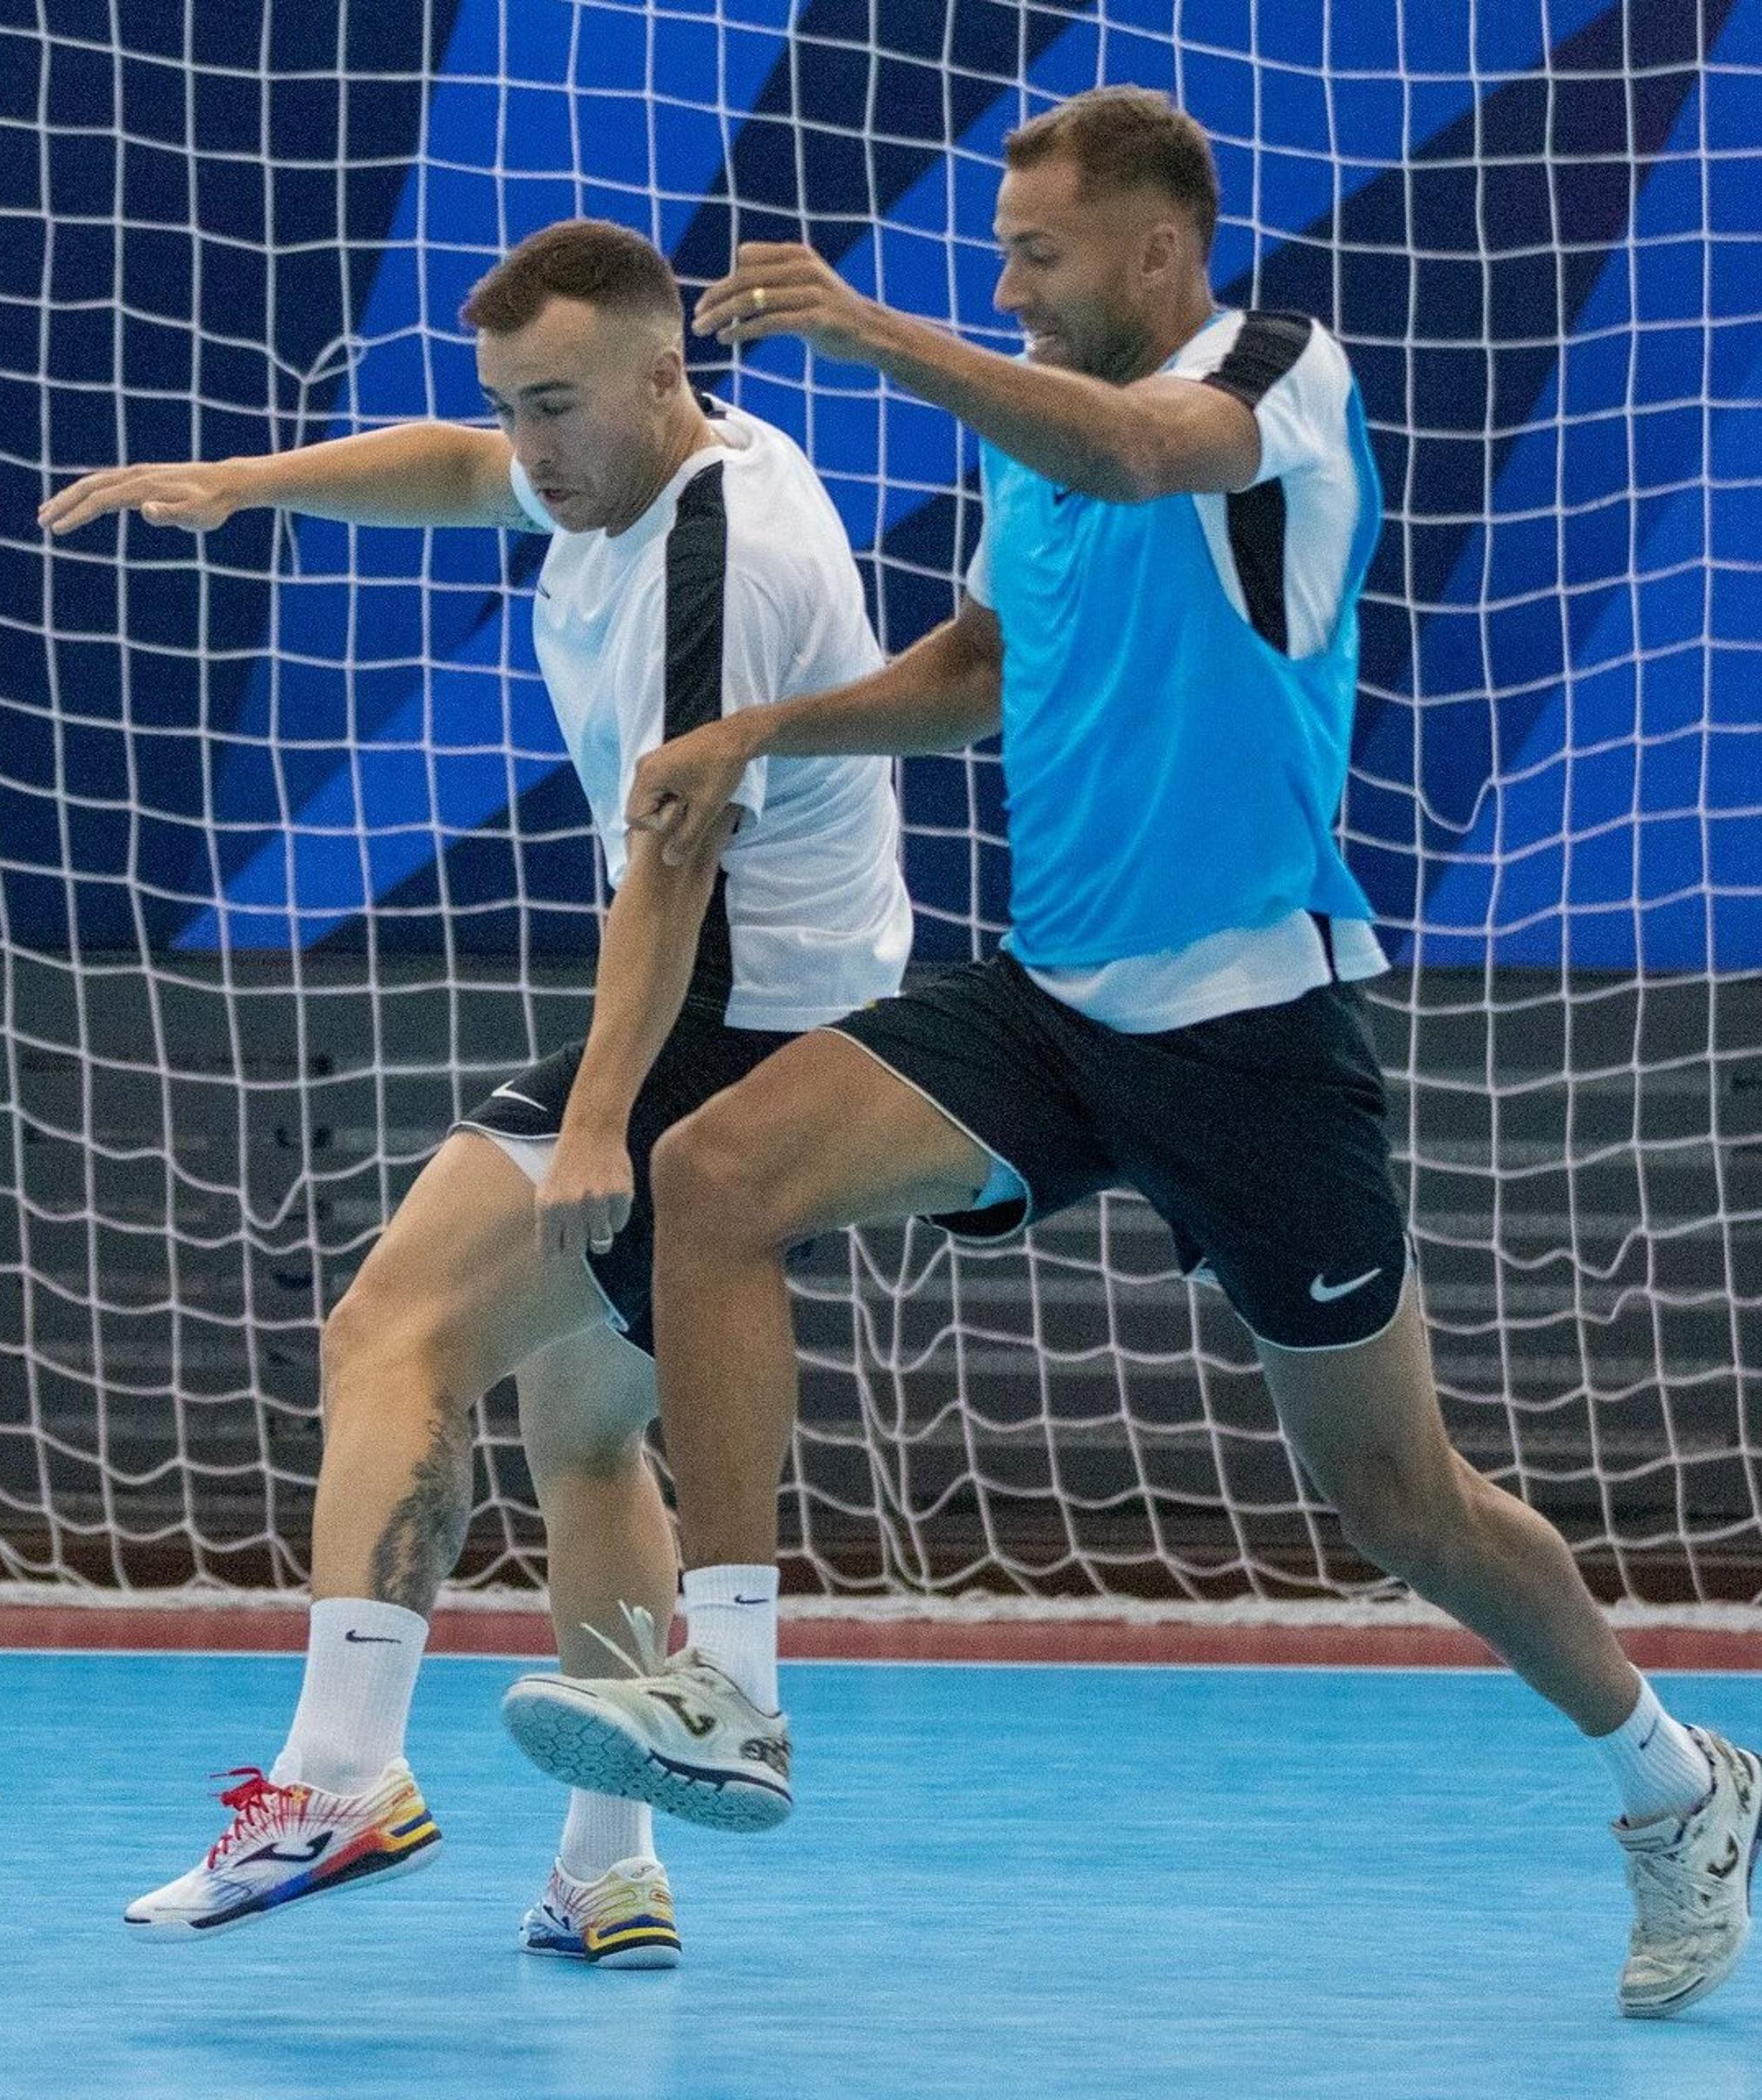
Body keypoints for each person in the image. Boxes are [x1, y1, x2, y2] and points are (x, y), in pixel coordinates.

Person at [496, 86, 1759, 2019]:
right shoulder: (1030, 417)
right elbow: (983, 670)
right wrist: (763, 735)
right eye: (995, 259)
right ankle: (731, 1691)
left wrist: (877, 331)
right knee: (716, 1175)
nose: (1005, 285)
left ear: (1159, 249)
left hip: (1255, 1036)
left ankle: (1675, 1784)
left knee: (1400, 1498)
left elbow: (1153, 455)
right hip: (1053, 1005)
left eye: (1038, 255)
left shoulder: (1274, 373)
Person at [40, 219, 910, 1964]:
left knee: (390, 1333)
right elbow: (450, 473)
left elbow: (669, 870)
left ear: (668, 380)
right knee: (582, 1427)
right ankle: (609, 1870)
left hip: (726, 1028)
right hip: (788, 1011)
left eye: (561, 410)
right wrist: (248, 478)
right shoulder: (630, 462)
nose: (531, 450)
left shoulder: (710, 560)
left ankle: (340, 1781)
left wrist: (597, 1125)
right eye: (513, 407)